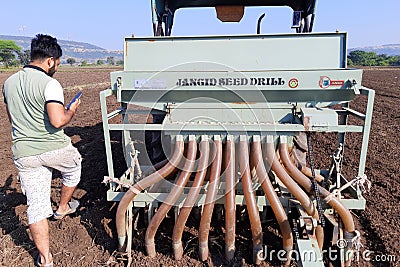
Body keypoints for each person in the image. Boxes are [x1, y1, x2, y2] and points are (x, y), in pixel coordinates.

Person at [2, 34, 81, 267]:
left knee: (36, 206)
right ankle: (63, 207)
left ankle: (45, 260)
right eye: (57, 62)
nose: (57, 67)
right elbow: (57, 121)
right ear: (50, 60)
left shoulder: (8, 83)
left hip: (24, 153)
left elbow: (12, 119)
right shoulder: (50, 83)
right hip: (53, 147)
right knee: (74, 165)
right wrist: (72, 109)